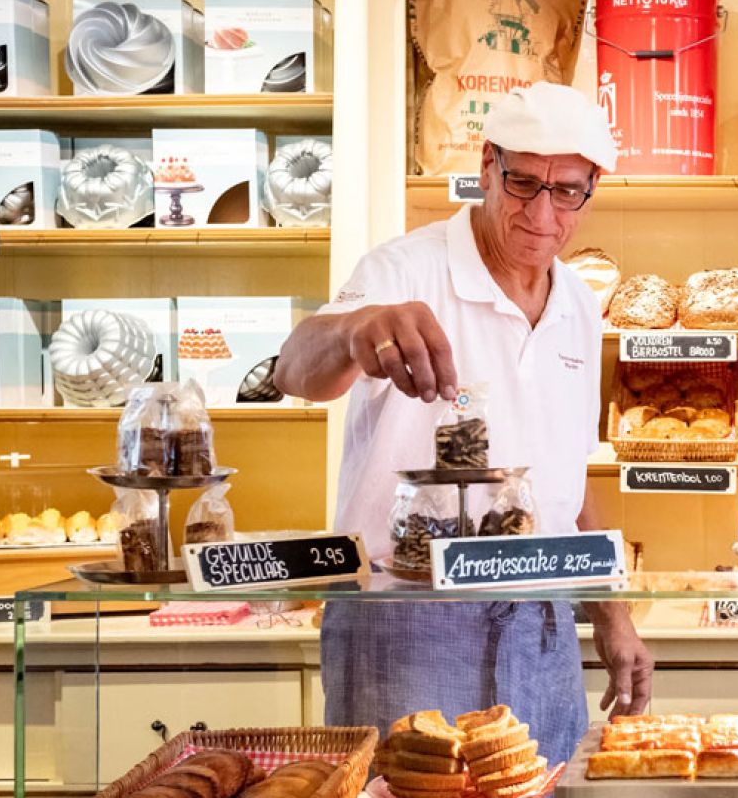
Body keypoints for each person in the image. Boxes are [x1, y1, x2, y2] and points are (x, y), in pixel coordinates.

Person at [273, 82, 652, 765]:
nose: (542, 212)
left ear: (591, 189)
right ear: (486, 167)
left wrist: (610, 613)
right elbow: (296, 369)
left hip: (539, 624)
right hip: (406, 622)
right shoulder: (406, 267)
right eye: (523, 182)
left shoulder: (577, 303)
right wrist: (359, 328)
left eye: (567, 190)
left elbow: (564, 477)